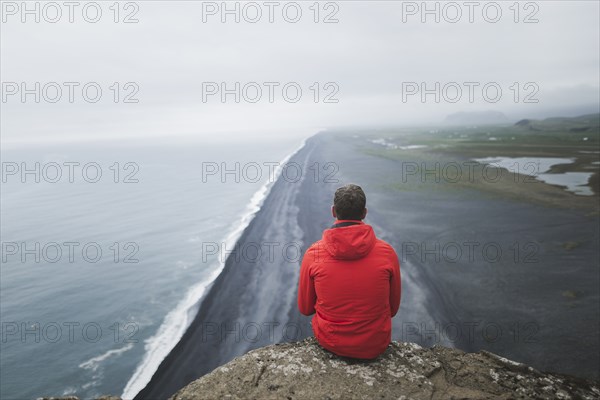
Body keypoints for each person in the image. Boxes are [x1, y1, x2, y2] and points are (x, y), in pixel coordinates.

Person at [298, 184, 401, 359]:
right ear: (364, 213)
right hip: (376, 343)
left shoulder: (313, 254)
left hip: (330, 341)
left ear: (333, 211)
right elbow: (393, 309)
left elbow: (305, 308)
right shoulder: (387, 253)